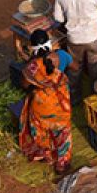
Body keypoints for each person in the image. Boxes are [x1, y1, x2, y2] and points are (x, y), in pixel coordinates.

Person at [18, 29, 74, 175]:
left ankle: (47, 155)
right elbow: (75, 67)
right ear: (50, 43)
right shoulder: (61, 56)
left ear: (32, 47)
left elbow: (24, 84)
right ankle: (62, 163)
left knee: (42, 130)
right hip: (61, 106)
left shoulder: (32, 66)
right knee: (62, 132)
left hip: (41, 107)